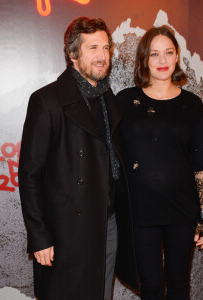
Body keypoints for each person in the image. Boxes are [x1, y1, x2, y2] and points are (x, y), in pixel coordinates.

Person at [18, 16, 138, 300]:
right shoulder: (47, 100)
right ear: (73, 54)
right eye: (93, 48)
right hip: (65, 229)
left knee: (101, 294)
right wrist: (39, 237)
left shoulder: (109, 99)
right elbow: (30, 174)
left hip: (107, 223)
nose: (102, 56)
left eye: (106, 48)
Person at [117, 26, 203, 300]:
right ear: (144, 59)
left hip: (181, 211)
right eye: (155, 54)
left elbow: (200, 164)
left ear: (177, 56)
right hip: (139, 213)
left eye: (168, 53)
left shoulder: (192, 104)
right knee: (151, 287)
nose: (162, 61)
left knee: (179, 284)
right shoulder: (124, 101)